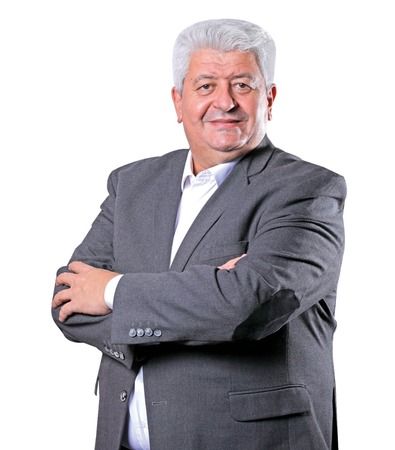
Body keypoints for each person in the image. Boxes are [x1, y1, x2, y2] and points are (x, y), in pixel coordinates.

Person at [52, 18, 346, 450]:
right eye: (206, 86)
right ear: (178, 101)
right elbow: (68, 299)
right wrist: (206, 296)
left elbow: (250, 303)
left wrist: (112, 291)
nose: (224, 102)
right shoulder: (133, 184)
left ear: (269, 98)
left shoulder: (307, 190)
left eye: (242, 85)